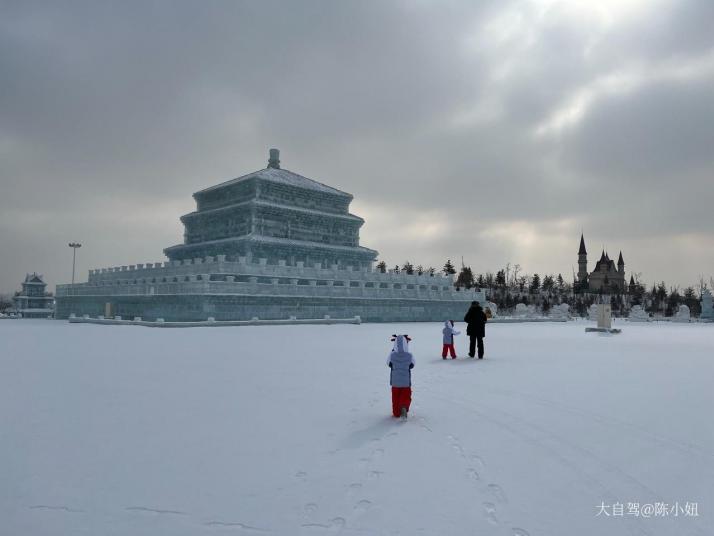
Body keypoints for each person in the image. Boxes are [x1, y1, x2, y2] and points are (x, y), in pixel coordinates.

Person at [388, 334, 415, 419]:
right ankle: (403, 407)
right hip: (405, 383)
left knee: (395, 399)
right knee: (405, 397)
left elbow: (388, 363)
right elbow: (413, 364)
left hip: (395, 383)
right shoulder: (409, 356)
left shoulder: (392, 355)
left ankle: (396, 412)